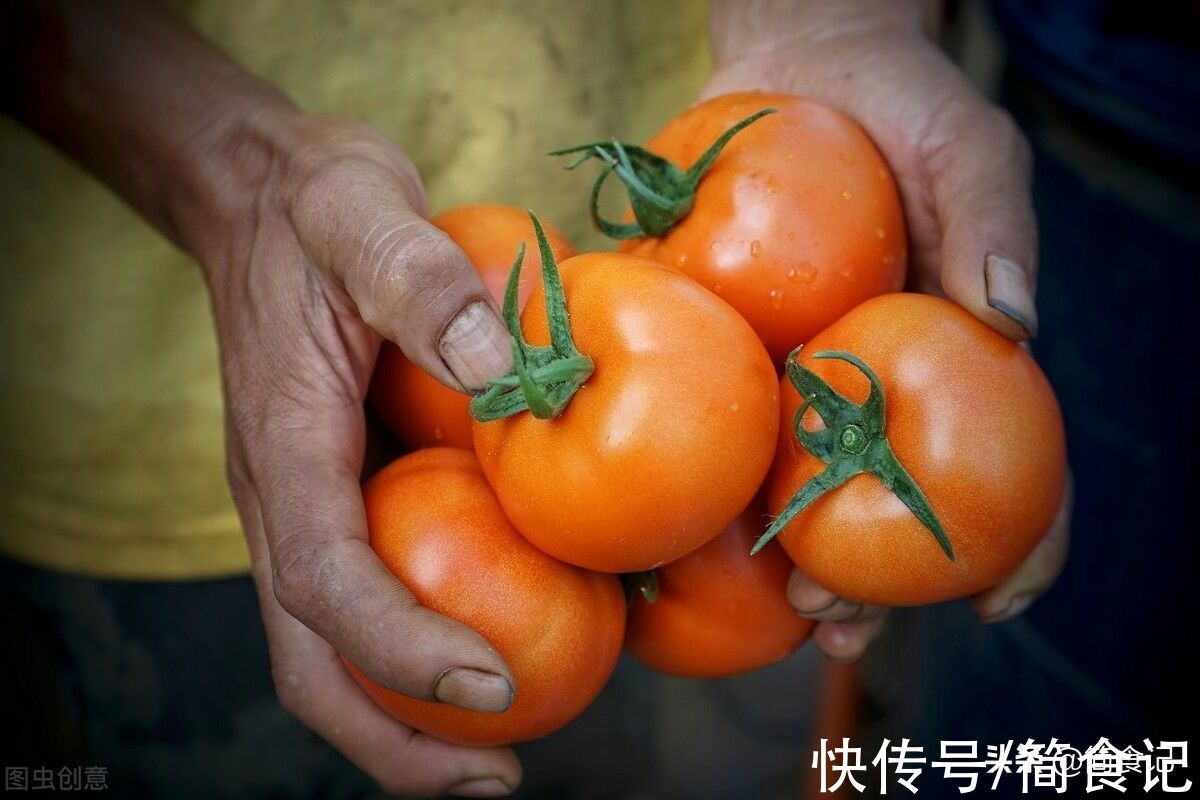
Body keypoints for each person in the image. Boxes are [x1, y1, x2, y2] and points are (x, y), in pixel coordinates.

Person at [1, 1, 1078, 797]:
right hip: (146, 423)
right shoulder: (579, 391)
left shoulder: (651, 368)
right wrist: (224, 172)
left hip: (711, 112)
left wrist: (838, 21)